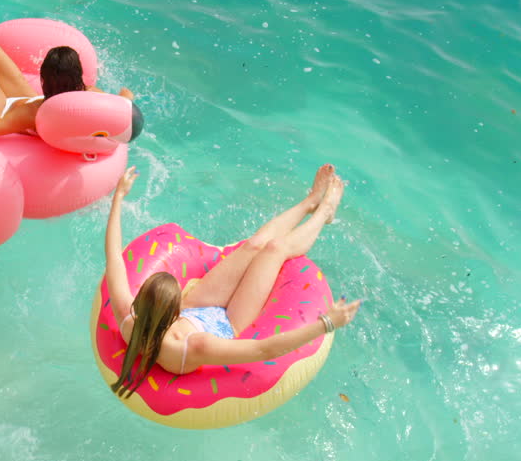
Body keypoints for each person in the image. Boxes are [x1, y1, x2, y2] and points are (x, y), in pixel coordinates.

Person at [104, 164, 362, 398]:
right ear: (172, 312)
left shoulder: (128, 317)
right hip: (229, 321)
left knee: (254, 245)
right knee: (274, 250)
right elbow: (265, 350)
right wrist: (327, 323)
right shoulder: (191, 347)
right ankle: (324, 213)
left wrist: (119, 197)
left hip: (194, 308)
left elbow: (114, 256)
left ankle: (311, 201)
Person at [0, 37, 135, 140]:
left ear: (44, 78)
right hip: (27, 98)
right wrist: (125, 98)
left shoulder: (34, 114)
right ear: (78, 74)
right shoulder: (90, 94)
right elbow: (125, 100)